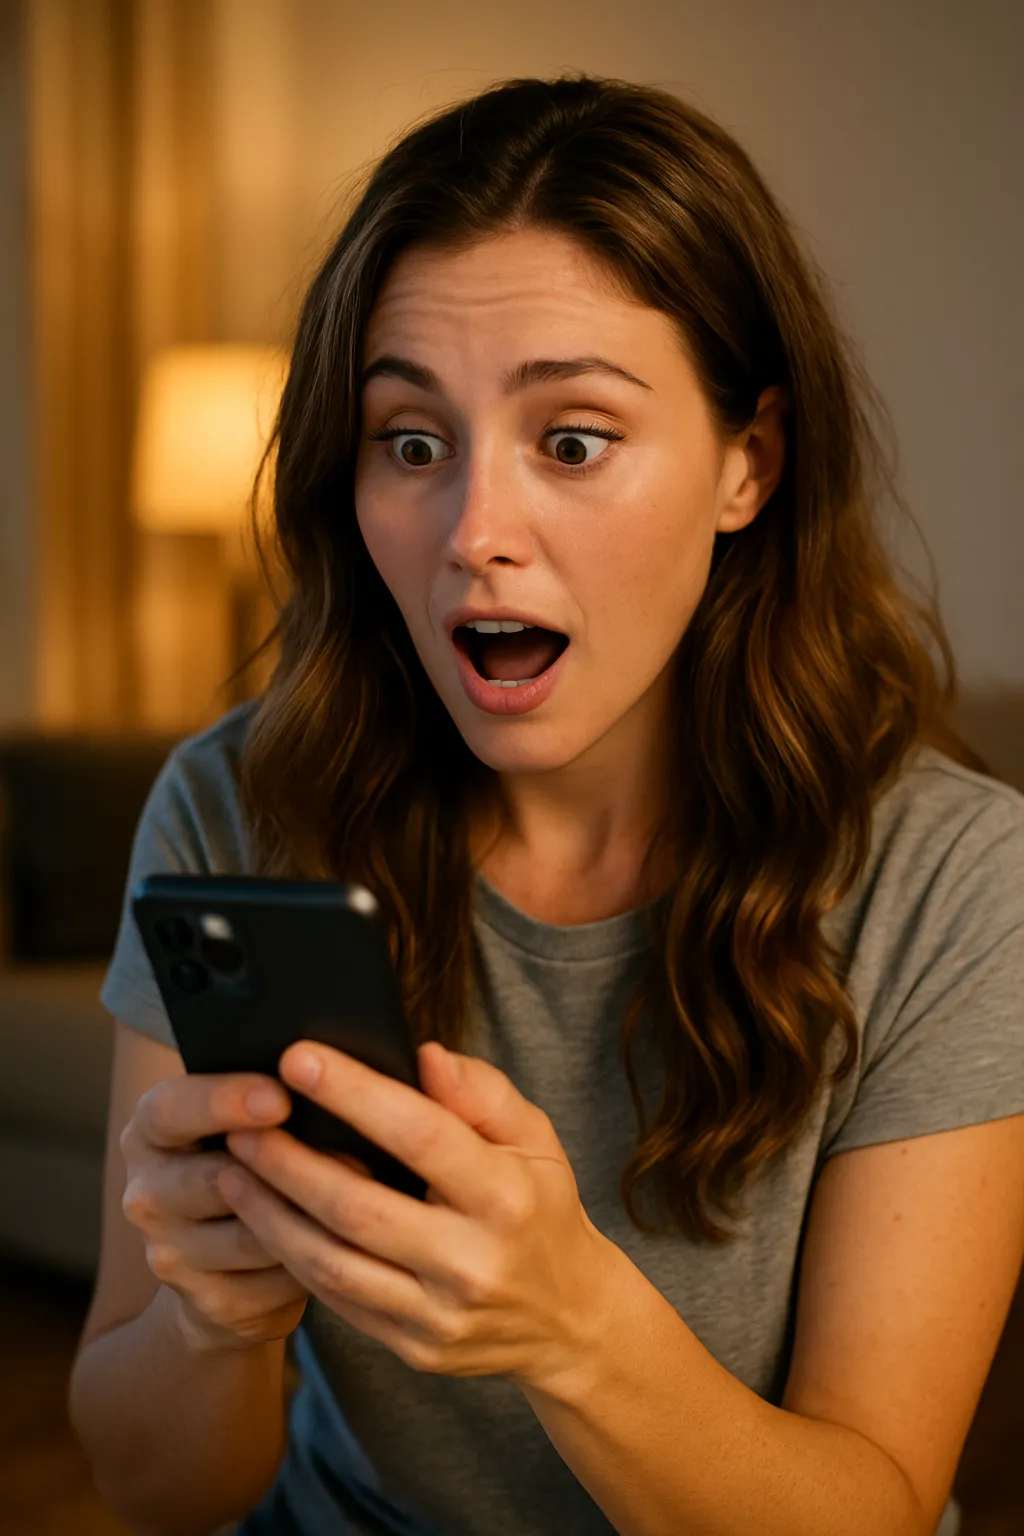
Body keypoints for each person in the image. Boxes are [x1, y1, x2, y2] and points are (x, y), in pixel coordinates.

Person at [69, 72, 1024, 1536]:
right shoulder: (236, 808)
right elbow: (153, 1488)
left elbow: (877, 1509)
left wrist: (574, 1329)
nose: (475, 532)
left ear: (748, 463)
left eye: (573, 440)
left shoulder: (956, 882)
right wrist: (210, 1319)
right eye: (412, 441)